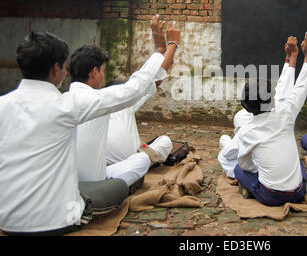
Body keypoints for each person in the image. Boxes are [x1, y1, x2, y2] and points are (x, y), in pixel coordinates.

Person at [0, 15, 179, 235]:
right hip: (55, 221)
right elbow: (134, 88)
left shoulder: (3, 105)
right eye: (63, 66)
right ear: (56, 68)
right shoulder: (67, 105)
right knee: (117, 186)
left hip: (6, 222)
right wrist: (161, 49)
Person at [70, 15, 178, 190]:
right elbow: (137, 86)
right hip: (99, 178)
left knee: (157, 146)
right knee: (141, 160)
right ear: (94, 72)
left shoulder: (64, 101)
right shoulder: (102, 99)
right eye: (103, 71)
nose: (104, 77)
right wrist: (167, 47)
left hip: (86, 175)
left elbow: (150, 82)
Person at [230, 33, 307, 206]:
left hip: (271, 196)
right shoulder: (285, 115)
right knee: (297, 163)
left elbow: (246, 165)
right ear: (273, 100)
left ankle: (254, 189)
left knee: (238, 170)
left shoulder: (247, 131)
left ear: (244, 105)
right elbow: (300, 88)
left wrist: (261, 169)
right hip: (299, 192)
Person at [218, 38, 296, 178]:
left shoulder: (247, 127)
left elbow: (235, 159)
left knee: (224, 147)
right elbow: (286, 82)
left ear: (246, 104)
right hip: (273, 165)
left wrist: (291, 57)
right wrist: (290, 58)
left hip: (258, 166)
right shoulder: (282, 113)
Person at [104, 79, 173, 169]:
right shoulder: (127, 104)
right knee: (165, 141)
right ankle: (148, 161)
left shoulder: (95, 109)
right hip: (131, 164)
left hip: (106, 166)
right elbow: (155, 83)